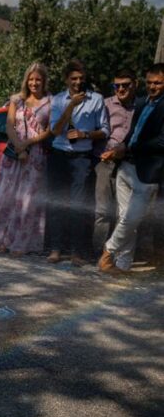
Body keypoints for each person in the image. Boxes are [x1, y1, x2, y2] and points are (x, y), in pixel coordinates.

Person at [0, 63, 52, 256]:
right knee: (6, 197)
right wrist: (19, 145)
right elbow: (10, 126)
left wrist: (28, 142)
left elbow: (49, 130)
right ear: (26, 80)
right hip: (13, 152)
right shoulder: (16, 100)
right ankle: (2, 240)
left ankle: (21, 243)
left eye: (38, 79)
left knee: (27, 201)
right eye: (31, 79)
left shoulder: (50, 102)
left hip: (35, 156)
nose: (34, 83)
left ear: (44, 81)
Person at [99, 63, 164, 274]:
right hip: (126, 167)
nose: (153, 86)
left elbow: (162, 141)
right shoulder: (141, 102)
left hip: (148, 172)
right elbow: (132, 133)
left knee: (132, 218)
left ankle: (108, 251)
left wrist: (131, 146)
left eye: (158, 83)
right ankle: (121, 265)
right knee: (124, 217)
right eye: (149, 82)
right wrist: (120, 147)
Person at [47, 59, 110, 265]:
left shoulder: (97, 99)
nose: (77, 82)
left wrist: (84, 134)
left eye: (81, 78)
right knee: (56, 202)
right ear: (66, 80)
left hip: (82, 158)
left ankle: (76, 251)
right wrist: (71, 105)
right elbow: (55, 130)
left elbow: (104, 130)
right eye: (73, 79)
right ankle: (55, 248)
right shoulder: (57, 100)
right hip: (59, 155)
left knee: (77, 204)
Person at [92, 70, 136, 254]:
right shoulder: (105, 104)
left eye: (125, 85)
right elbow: (95, 130)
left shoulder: (140, 107)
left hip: (129, 164)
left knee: (124, 213)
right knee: (102, 210)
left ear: (135, 84)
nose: (121, 89)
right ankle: (96, 253)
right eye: (117, 85)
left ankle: (114, 254)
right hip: (105, 162)